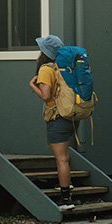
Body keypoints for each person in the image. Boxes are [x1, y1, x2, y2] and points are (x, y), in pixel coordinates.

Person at [29, 34, 75, 210]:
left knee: (61, 160)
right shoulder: (65, 66)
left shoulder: (46, 69)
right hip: (71, 117)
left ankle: (66, 199)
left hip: (57, 118)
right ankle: (66, 184)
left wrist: (32, 85)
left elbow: (46, 96)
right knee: (65, 157)